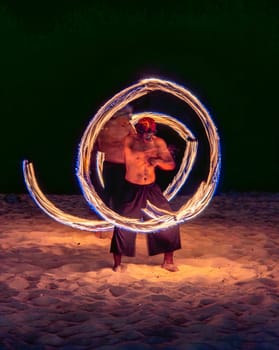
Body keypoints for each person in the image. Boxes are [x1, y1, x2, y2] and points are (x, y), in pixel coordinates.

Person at [110, 116, 181, 272]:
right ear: (139, 130)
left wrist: (158, 161)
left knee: (168, 222)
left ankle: (168, 261)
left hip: (151, 189)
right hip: (132, 188)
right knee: (123, 225)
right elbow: (125, 144)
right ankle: (117, 264)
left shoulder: (158, 143)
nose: (147, 136)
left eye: (150, 133)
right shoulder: (130, 141)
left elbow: (170, 164)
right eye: (144, 132)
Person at [95, 105, 135, 210]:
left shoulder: (106, 126)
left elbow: (135, 143)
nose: (130, 118)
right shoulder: (107, 127)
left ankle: (114, 212)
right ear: (120, 115)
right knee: (110, 190)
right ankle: (108, 212)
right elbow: (98, 146)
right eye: (128, 116)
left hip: (117, 164)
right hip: (113, 164)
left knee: (115, 190)